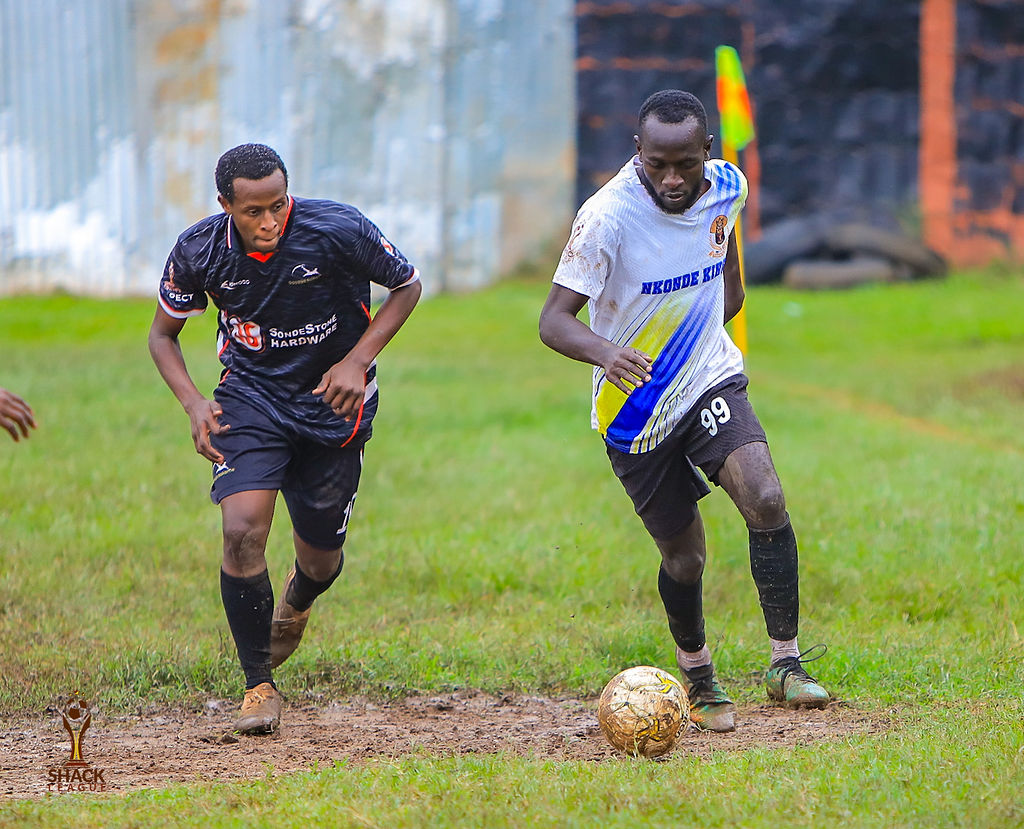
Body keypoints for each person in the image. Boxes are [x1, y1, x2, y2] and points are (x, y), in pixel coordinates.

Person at [539, 90, 829, 733]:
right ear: (637, 153)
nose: (672, 179)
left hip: (707, 379)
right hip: (633, 410)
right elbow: (553, 321)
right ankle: (697, 674)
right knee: (685, 557)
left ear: (707, 153)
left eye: (685, 165)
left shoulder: (728, 186)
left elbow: (728, 278)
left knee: (766, 498)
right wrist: (608, 353)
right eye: (658, 165)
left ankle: (786, 665)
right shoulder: (605, 217)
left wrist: (702, 330)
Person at [148, 144, 422, 735]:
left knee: (321, 558)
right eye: (253, 211)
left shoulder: (337, 229)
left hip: (333, 403)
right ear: (226, 205)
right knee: (242, 529)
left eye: (278, 205)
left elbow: (407, 285)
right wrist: (194, 403)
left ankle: (297, 603)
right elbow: (162, 336)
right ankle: (258, 685)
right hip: (249, 399)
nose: (270, 221)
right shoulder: (199, 250)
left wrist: (357, 361)